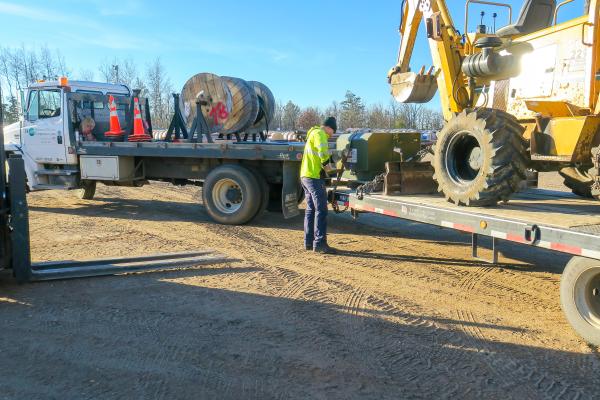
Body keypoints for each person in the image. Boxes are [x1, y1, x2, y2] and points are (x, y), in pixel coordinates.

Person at [300, 116, 338, 254]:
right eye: (332, 131)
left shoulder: (312, 133)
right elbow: (323, 153)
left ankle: (308, 242)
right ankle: (320, 243)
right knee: (321, 209)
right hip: (314, 177)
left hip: (305, 175)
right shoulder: (320, 134)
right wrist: (330, 170)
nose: (331, 135)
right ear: (328, 127)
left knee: (311, 209)